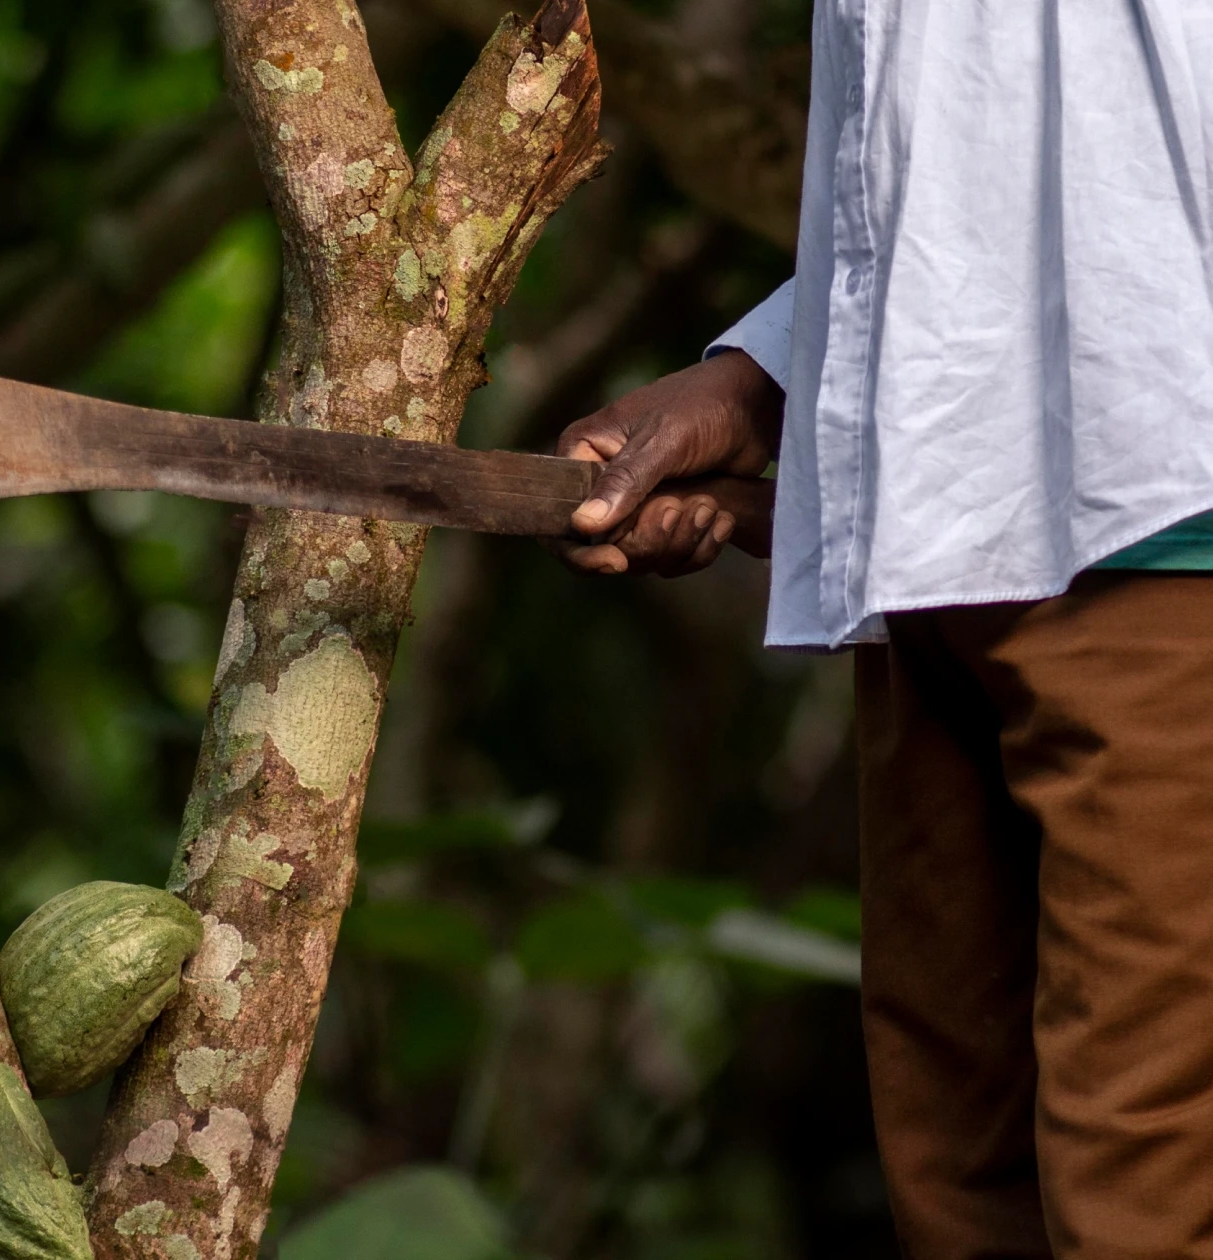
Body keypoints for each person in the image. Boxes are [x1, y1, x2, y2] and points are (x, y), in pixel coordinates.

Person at [554, 4, 1213, 1258]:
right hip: (943, 533)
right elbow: (975, 116)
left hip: (1169, 525)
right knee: (960, 1192)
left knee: (1148, 1201)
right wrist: (778, 375)